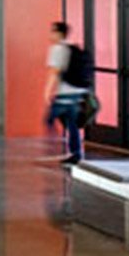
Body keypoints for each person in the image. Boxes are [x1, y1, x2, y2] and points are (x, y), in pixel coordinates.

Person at [44, 21, 92, 165]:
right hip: (78, 92)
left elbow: (54, 72)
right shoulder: (71, 47)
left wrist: (47, 91)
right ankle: (76, 153)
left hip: (65, 93)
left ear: (59, 33)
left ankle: (53, 146)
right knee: (72, 124)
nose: (50, 34)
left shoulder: (57, 49)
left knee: (49, 119)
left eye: (52, 31)